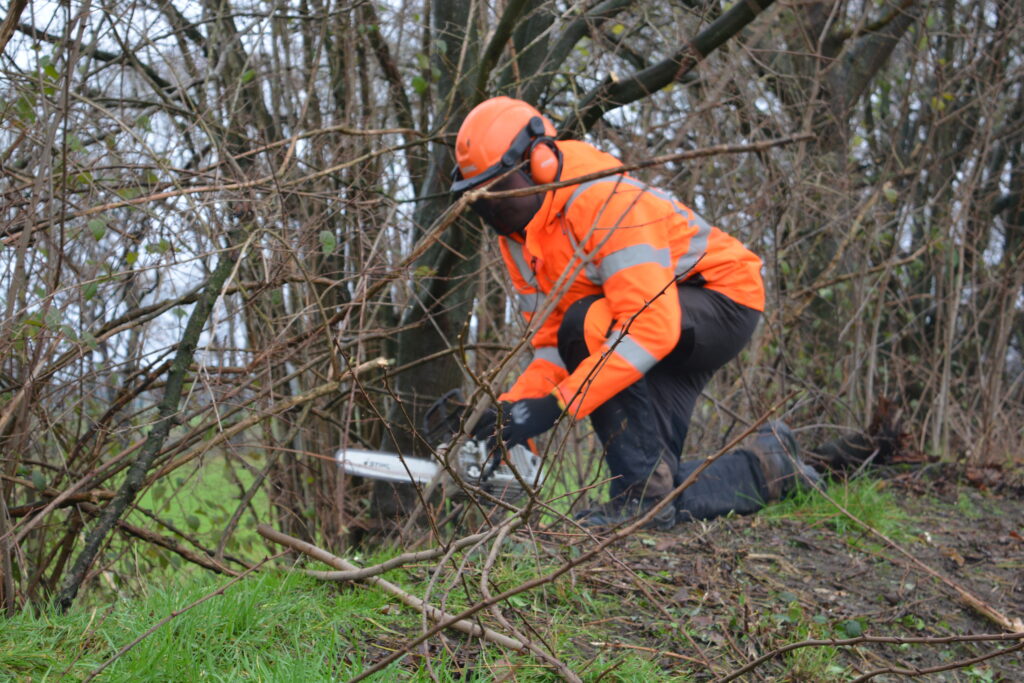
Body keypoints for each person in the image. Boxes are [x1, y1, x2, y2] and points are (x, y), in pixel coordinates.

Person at [452, 97, 817, 529]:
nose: (494, 211)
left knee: (586, 322)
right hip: (649, 323)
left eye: (499, 193)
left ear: (540, 162)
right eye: (481, 203)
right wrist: (512, 414)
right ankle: (770, 468)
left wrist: (559, 403)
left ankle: (639, 498)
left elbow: (649, 326)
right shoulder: (519, 241)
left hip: (720, 301)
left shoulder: (604, 197)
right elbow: (551, 346)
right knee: (655, 484)